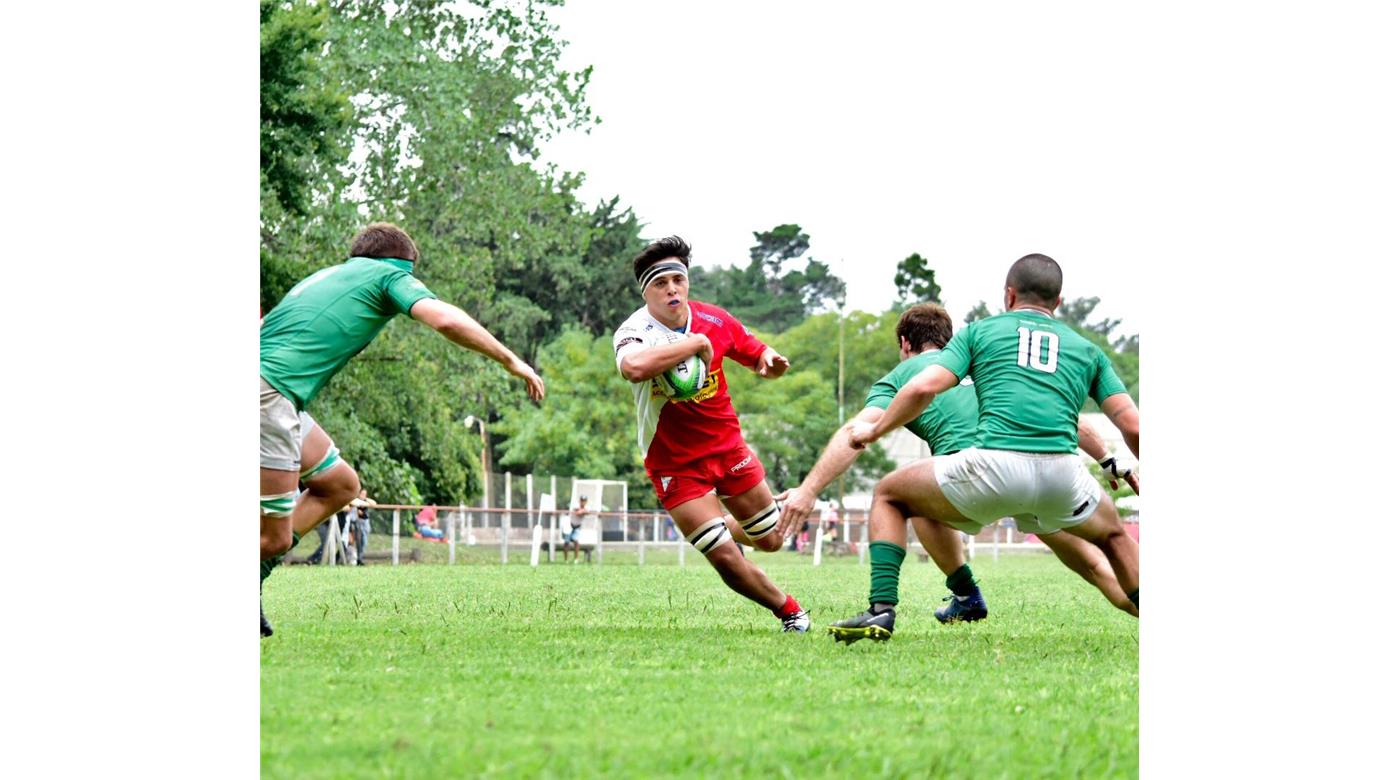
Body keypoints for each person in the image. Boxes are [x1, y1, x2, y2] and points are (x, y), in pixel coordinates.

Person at [779, 303, 1138, 642]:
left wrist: (809, 489)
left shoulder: (905, 372)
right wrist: (1106, 459)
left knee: (900, 496)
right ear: (949, 339)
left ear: (905, 344)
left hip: (978, 475)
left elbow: (853, 433)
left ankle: (925, 601)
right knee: (1095, 565)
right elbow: (1067, 418)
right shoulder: (991, 366)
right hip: (1047, 474)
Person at [260, 222, 545, 637]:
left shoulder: (325, 277)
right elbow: (445, 320)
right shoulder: (388, 275)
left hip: (273, 392)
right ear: (401, 266)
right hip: (271, 395)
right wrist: (511, 361)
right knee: (273, 538)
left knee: (340, 484)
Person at [612, 236, 809, 632]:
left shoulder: (714, 320)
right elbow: (632, 367)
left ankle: (724, 525)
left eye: (677, 280)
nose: (671, 289)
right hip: (674, 462)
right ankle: (790, 612)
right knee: (723, 557)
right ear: (645, 291)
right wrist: (692, 344)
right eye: (660, 283)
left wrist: (769, 361)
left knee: (772, 540)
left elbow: (754, 351)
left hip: (728, 448)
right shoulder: (634, 331)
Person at [564, 496, 593, 563]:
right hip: (569, 525)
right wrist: (583, 511)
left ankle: (576, 559)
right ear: (579, 501)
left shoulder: (587, 507)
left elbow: (586, 512)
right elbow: (578, 512)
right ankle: (566, 560)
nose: (583, 502)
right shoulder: (576, 505)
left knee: (576, 542)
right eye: (582, 500)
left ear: (586, 502)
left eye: (584, 501)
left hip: (577, 527)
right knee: (566, 542)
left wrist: (583, 511)